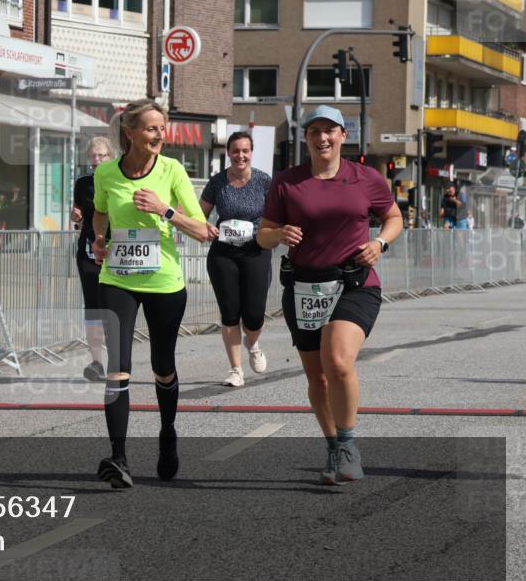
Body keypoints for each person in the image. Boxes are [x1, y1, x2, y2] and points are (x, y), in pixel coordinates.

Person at [258, 105, 403, 485]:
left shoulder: (365, 178)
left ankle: (350, 443)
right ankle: (333, 445)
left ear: (342, 135)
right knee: (318, 378)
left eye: (329, 131)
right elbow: (264, 234)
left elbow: (394, 217)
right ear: (305, 137)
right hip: (304, 286)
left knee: (337, 360)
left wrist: (380, 244)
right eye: (314, 132)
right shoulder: (287, 182)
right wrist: (280, 234)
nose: (322, 138)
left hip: (355, 283)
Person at [91, 100, 211, 488]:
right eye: (150, 128)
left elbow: (204, 230)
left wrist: (165, 210)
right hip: (118, 278)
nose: (159, 134)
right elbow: (100, 211)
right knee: (118, 368)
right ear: (130, 132)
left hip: (164, 282)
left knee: (162, 364)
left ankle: (167, 433)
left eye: (162, 128)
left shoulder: (173, 170)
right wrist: (97, 238)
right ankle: (119, 457)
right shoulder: (106, 173)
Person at [199, 131, 273, 387]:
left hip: (256, 250)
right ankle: (235, 369)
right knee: (230, 313)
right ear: (228, 153)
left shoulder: (264, 181)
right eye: (235, 151)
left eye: (245, 151)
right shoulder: (218, 182)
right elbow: (201, 214)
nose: (240, 156)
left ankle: (252, 343)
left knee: (254, 315)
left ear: (251, 153)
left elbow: (276, 215)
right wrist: (205, 227)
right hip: (224, 253)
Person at [70, 136, 115, 381]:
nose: (97, 160)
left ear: (111, 157)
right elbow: (78, 212)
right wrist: (75, 214)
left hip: (117, 250)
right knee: (93, 307)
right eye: (93, 156)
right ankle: (97, 362)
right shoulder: (83, 183)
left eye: (102, 155)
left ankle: (118, 359)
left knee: (113, 304)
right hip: (88, 250)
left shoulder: (119, 180)